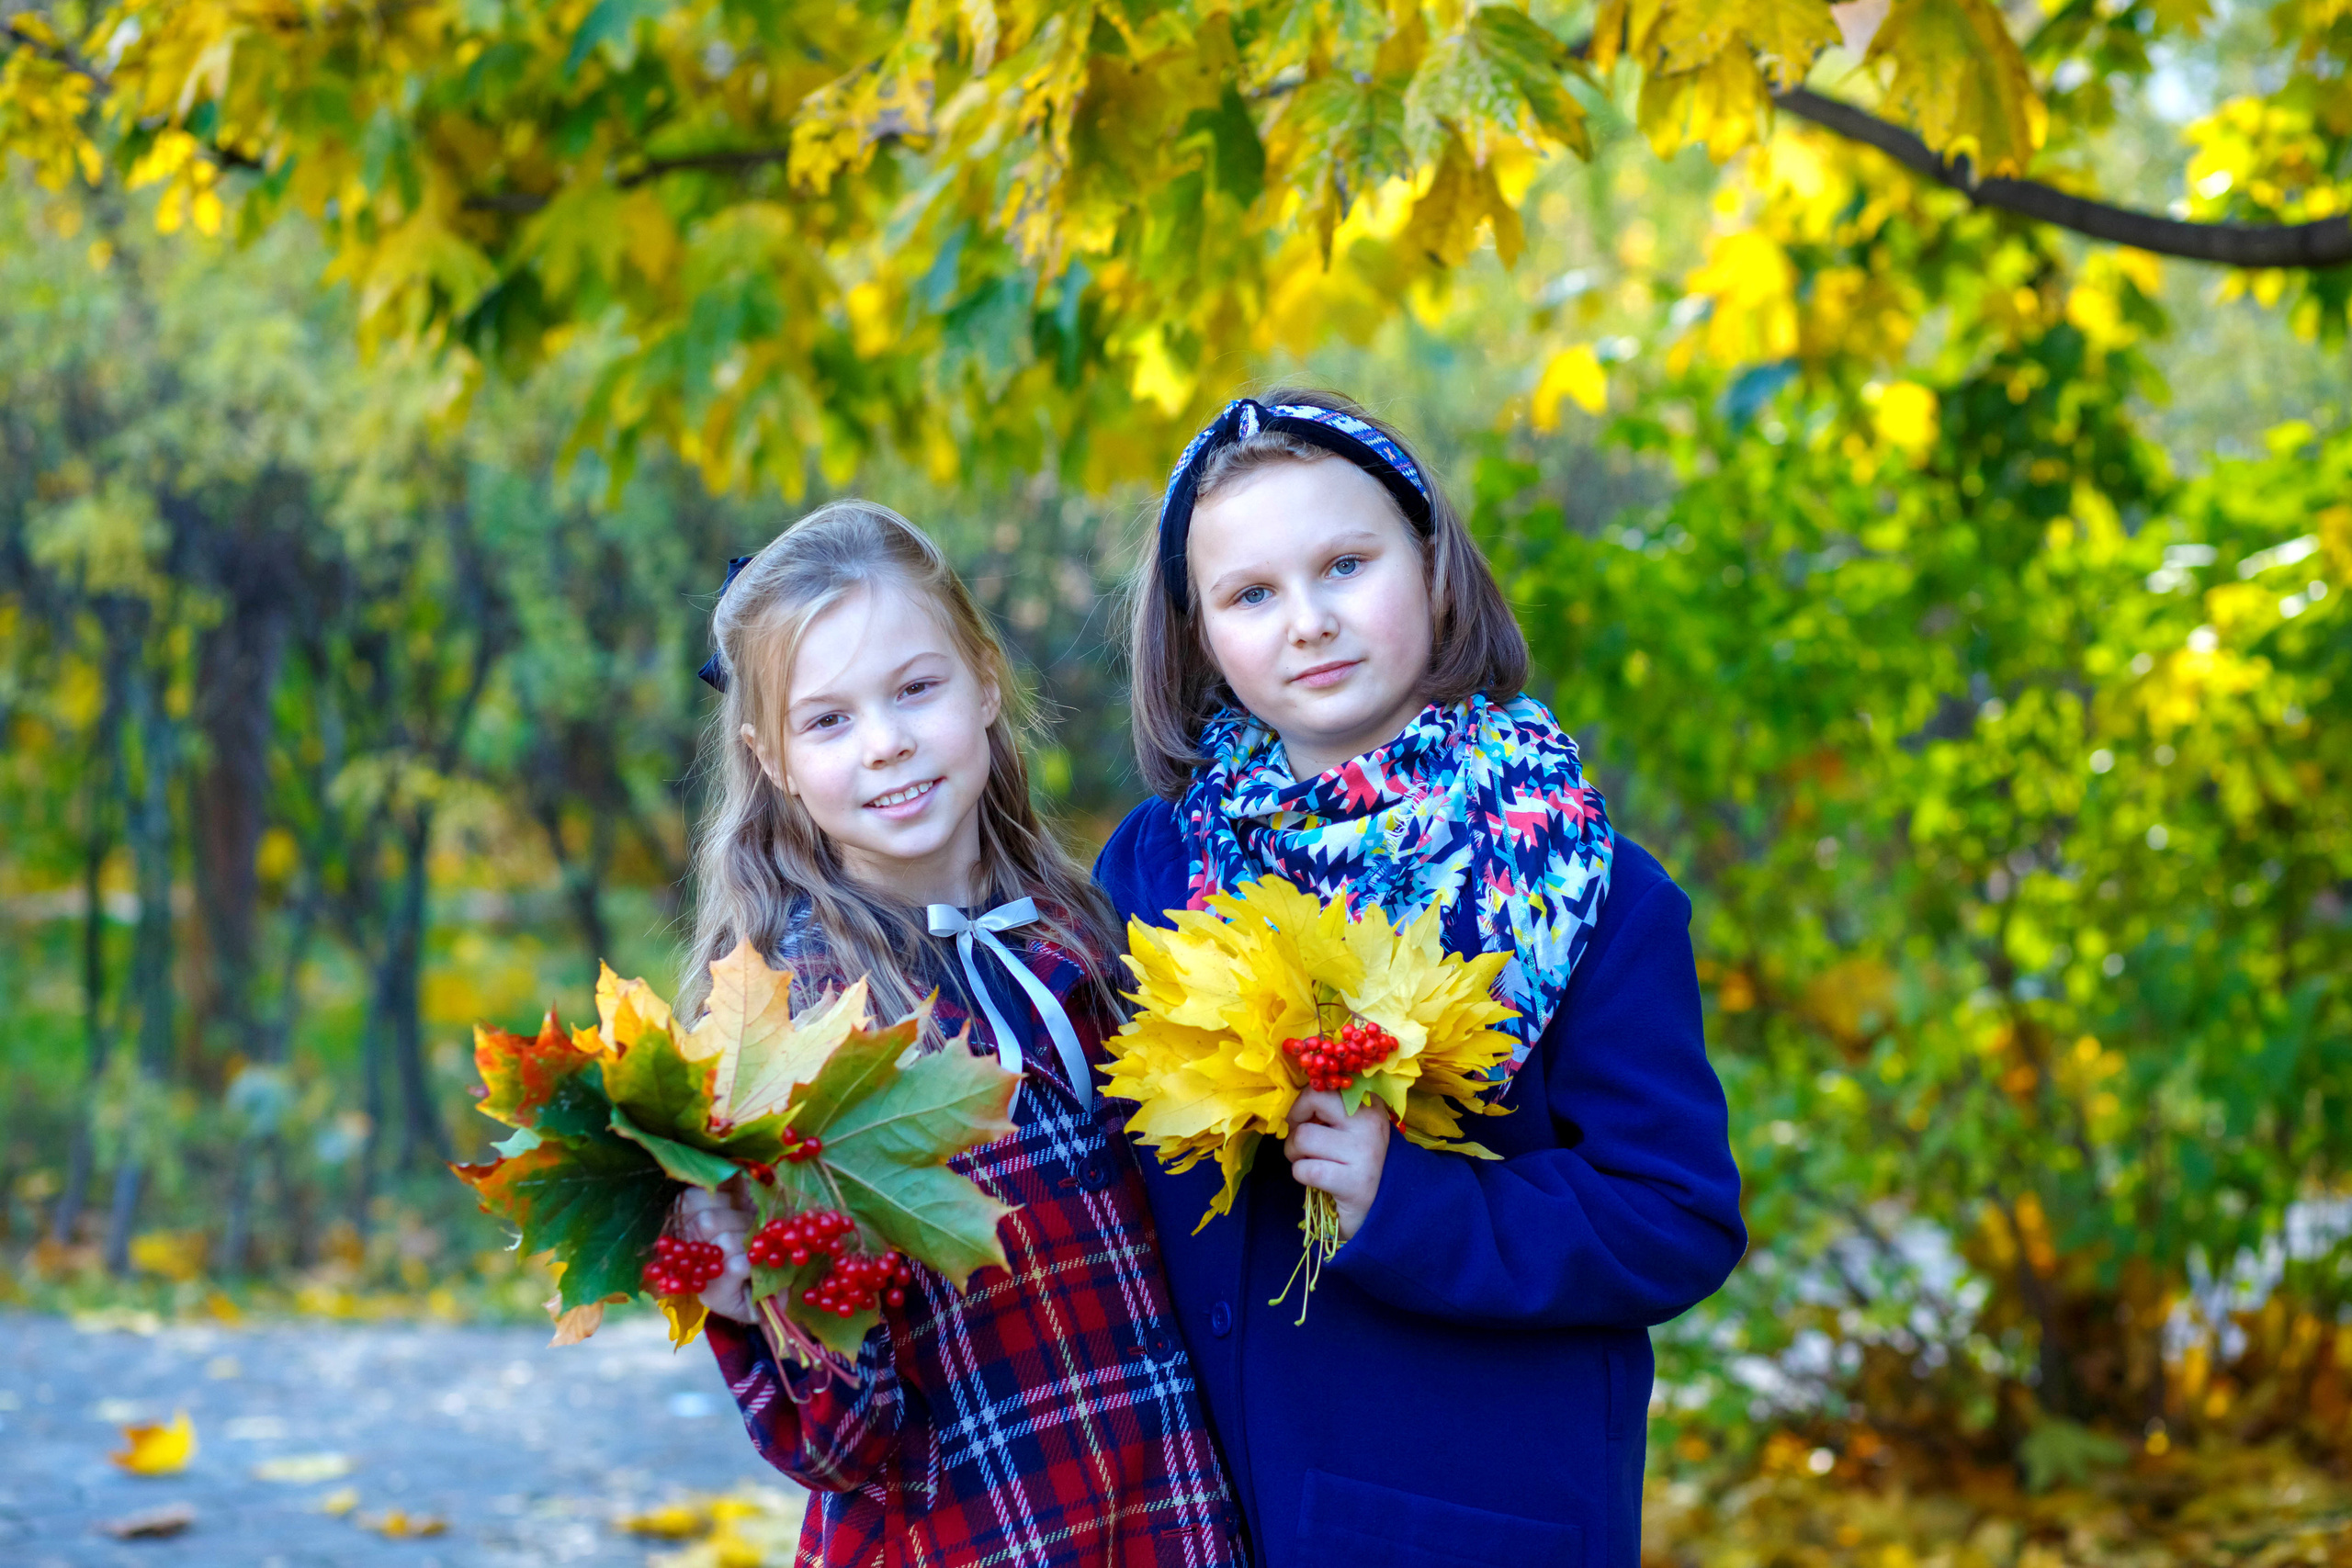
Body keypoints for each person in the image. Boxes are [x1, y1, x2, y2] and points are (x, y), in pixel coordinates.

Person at [1094, 390, 1747, 1568]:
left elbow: (1675, 1219)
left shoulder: (1582, 885)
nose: (1308, 621)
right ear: (1197, 636)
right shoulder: (1159, 862)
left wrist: (1412, 1204)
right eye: (1251, 594)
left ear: (1436, 568)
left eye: (1347, 563)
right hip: (1197, 1511)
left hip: (1461, 1516)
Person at [673, 502, 1244, 1568]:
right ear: (773, 758)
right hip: (979, 1534)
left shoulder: (1090, 934)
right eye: (828, 720)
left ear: (984, 679)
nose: (886, 743)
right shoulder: (793, 1036)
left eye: (914, 690)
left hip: (1164, 1517)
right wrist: (746, 1294)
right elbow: (843, 1440)